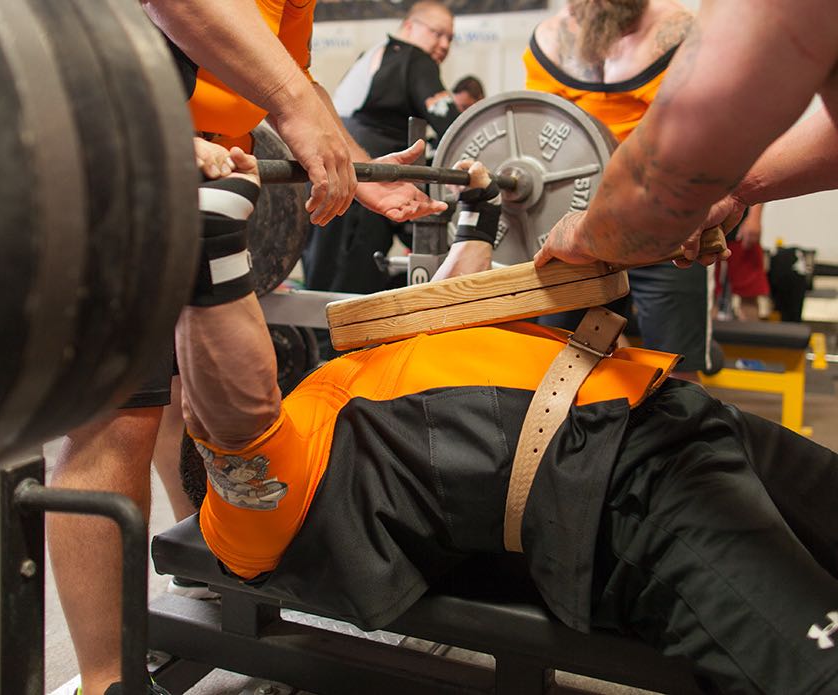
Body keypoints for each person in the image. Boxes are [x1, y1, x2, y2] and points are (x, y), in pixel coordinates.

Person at [176, 147, 838, 695]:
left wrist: (479, 213)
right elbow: (233, 413)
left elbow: (448, 302)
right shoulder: (254, 511)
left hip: (677, 418)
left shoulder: (352, 373)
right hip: (624, 491)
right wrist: (215, 240)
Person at [48, 0, 450, 689]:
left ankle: (202, 564)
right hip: (118, 136)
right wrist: (279, 106)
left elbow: (286, 73)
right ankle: (107, 680)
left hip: (205, 168)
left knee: (190, 388)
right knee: (114, 416)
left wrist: (364, 176)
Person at [533, 2, 838, 272]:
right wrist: (736, 191)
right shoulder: (551, 39)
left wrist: (579, 234)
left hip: (642, 224)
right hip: (639, 219)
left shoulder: (672, 28)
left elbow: (665, 182)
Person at [524, 0, 712, 380]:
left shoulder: (677, 31)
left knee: (676, 368)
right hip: (575, 224)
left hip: (664, 219)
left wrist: (698, 204)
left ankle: (678, 435)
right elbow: (540, 138)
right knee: (548, 355)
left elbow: (703, 133)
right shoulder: (549, 40)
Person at [303, 0, 461, 302]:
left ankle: (319, 346)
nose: (443, 45)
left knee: (323, 276)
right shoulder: (416, 58)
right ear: (410, 27)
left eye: (450, 38)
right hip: (369, 175)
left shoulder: (372, 55)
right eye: (438, 34)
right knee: (352, 288)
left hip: (333, 169)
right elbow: (452, 124)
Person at [718, 204, 770, 321]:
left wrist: (754, 217)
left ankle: (751, 338)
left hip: (740, 227)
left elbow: (757, 185)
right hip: (705, 223)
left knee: (749, 293)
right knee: (705, 295)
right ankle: (707, 337)